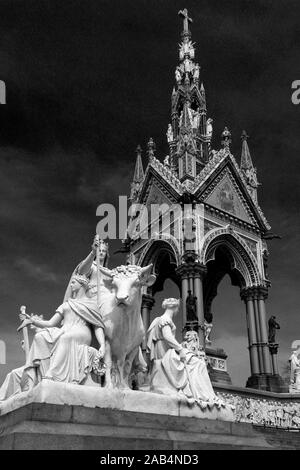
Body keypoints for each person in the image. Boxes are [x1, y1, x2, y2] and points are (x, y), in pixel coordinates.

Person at [0, 274, 106, 400]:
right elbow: (50, 323)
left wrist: (102, 344)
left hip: (81, 332)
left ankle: (53, 374)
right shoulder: (67, 304)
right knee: (40, 337)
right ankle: (38, 375)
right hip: (65, 330)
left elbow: (98, 326)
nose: (71, 285)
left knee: (65, 338)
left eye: (73, 283)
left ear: (81, 285)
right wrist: (31, 321)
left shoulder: (91, 304)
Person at [147, 298, 224, 408]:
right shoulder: (165, 319)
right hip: (165, 352)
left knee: (198, 363)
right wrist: (181, 349)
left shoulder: (163, 319)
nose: (178, 310)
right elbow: (167, 337)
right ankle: (202, 395)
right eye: (178, 308)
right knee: (198, 364)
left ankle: (203, 395)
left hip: (168, 350)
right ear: (175, 308)